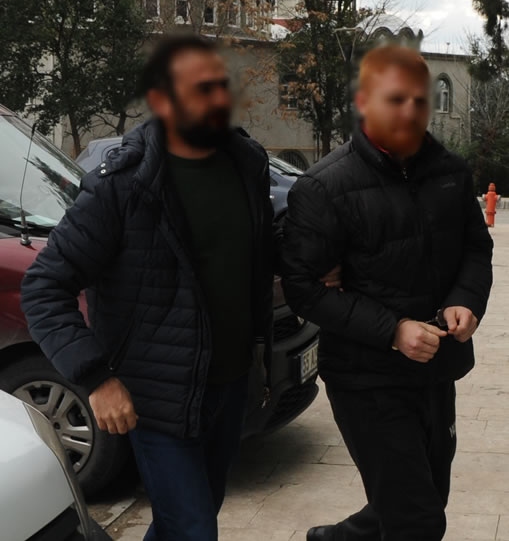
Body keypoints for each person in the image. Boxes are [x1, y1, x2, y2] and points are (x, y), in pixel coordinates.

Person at [20, 34, 340, 541]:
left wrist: (314, 263)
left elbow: (257, 252)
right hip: (156, 397)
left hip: (231, 385)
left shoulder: (246, 163)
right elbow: (43, 287)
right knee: (194, 529)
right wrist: (97, 379)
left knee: (186, 520)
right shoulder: (122, 184)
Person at [281, 45, 493, 541]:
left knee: (419, 499)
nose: (410, 111)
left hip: (436, 370)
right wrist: (393, 330)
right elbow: (303, 289)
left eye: (420, 100)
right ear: (364, 102)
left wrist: (466, 299)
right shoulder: (323, 187)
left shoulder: (450, 172)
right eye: (396, 99)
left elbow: (475, 248)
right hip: (366, 379)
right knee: (417, 520)